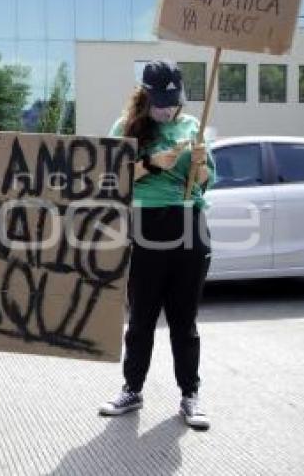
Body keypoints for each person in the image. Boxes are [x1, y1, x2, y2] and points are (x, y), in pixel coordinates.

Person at [99, 60, 215, 430]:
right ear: (145, 94)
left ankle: (189, 395)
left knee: (185, 320)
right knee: (142, 317)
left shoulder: (194, 126)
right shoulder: (126, 128)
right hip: (145, 226)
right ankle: (132, 389)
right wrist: (151, 163)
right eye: (160, 100)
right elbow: (109, 177)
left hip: (188, 225)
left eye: (173, 100)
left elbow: (207, 180)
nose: (168, 108)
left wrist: (198, 165)